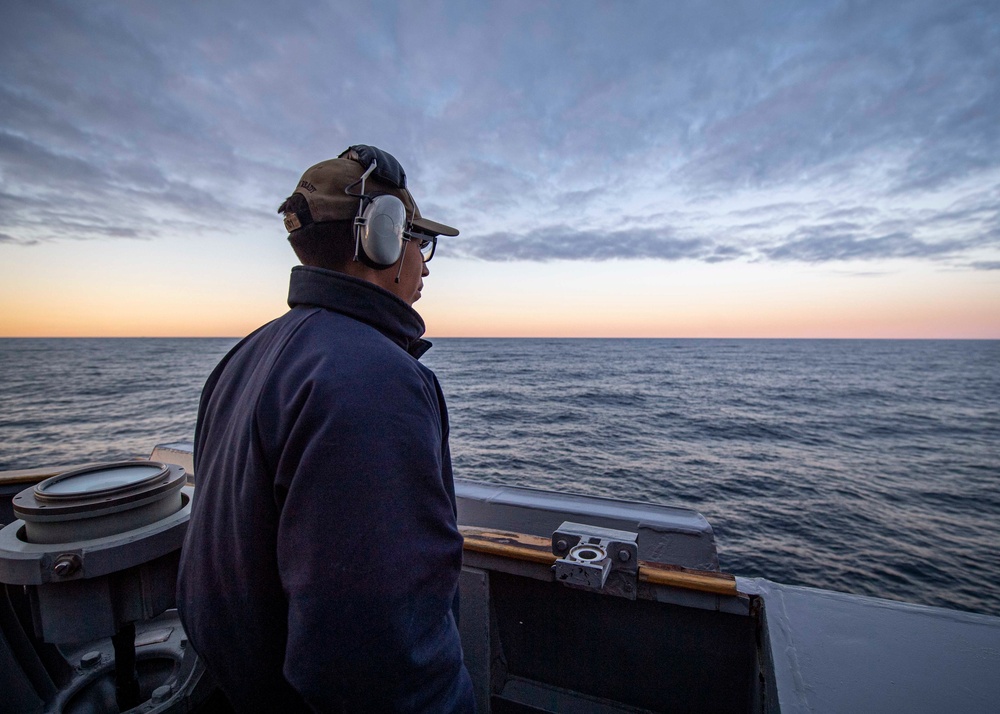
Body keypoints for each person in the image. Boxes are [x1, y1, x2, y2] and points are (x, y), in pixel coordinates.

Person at [177, 145, 475, 712]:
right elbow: (379, 655)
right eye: (419, 240)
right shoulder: (376, 380)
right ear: (380, 238)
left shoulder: (247, 354)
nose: (426, 262)